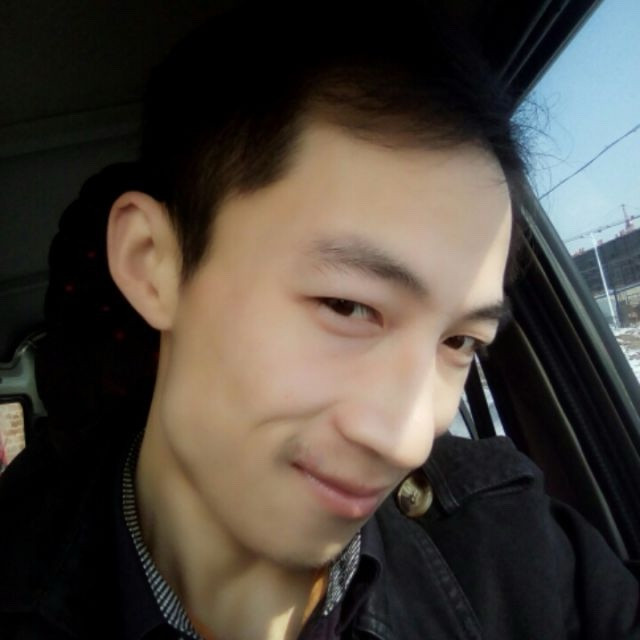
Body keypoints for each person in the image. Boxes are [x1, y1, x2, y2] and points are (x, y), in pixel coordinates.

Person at [0, 2, 638, 639]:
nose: (408, 442)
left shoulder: (516, 554)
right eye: (347, 306)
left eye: (459, 341)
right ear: (151, 264)